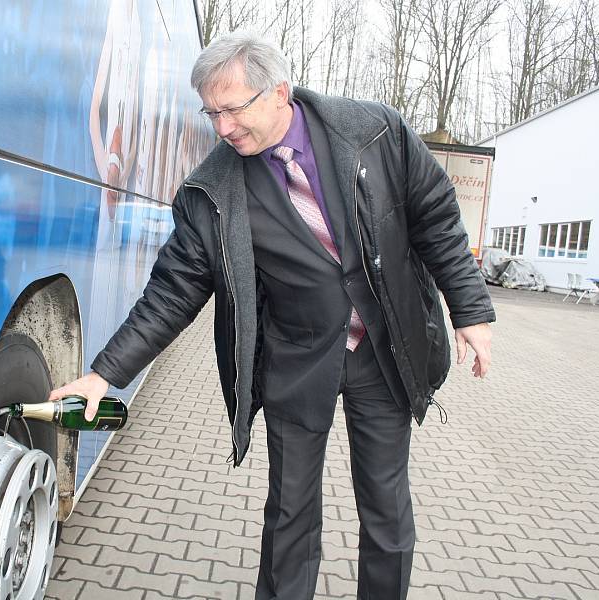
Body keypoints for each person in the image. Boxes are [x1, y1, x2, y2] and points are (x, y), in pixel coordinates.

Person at [52, 32, 495, 600]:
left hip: (385, 352)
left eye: (232, 109)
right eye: (211, 112)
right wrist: (104, 373)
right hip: (296, 360)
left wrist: (471, 311)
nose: (221, 128)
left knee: (385, 507)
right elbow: (173, 291)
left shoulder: (375, 132)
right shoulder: (213, 190)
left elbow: (436, 217)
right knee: (289, 513)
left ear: (278, 91)